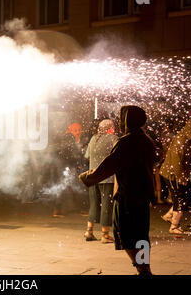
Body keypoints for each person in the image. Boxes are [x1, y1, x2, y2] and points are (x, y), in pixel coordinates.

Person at [79, 106, 156, 275]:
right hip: (143, 195)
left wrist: (86, 177)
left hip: (127, 195)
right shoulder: (146, 140)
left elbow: (108, 166)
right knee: (141, 235)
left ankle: (143, 270)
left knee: (126, 235)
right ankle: (145, 269)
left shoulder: (126, 142)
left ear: (128, 121)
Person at [159, 118, 191, 234]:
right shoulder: (181, 139)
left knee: (181, 197)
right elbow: (176, 161)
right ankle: (174, 226)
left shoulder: (186, 139)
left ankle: (169, 216)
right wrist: (180, 178)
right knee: (180, 200)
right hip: (172, 174)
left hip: (175, 174)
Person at [84, 119, 118, 243]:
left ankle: (89, 231)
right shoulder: (113, 139)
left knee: (94, 204)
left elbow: (87, 156)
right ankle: (105, 235)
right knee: (106, 205)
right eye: (113, 127)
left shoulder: (93, 138)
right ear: (110, 128)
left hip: (93, 177)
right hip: (107, 178)